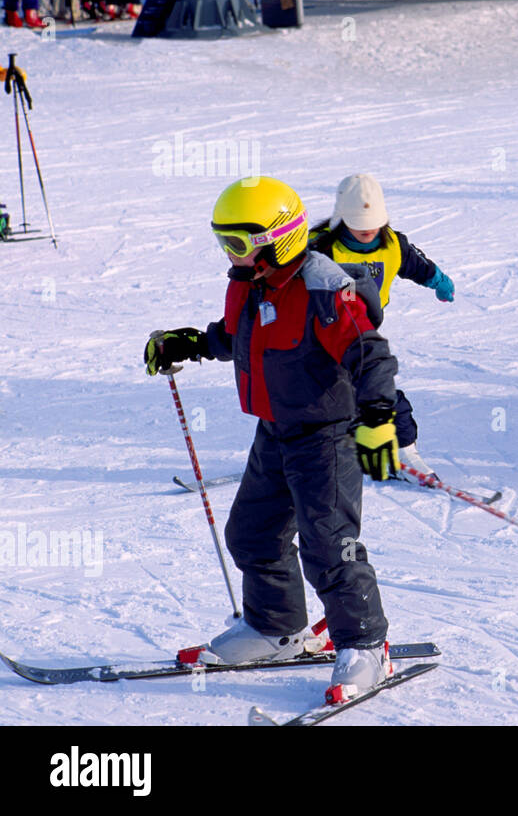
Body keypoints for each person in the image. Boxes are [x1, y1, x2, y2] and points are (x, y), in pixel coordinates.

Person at [142, 176, 399, 701]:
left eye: (239, 243)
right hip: (275, 430)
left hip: (327, 436)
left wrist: (377, 417)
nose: (231, 255)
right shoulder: (251, 284)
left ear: (278, 237)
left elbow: (369, 352)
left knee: (330, 546)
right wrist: (191, 342)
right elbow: (238, 335)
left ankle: (368, 646)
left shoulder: (324, 289)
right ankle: (274, 628)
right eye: (224, 242)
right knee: (253, 535)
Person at [308, 173, 455, 482]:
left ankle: (405, 453)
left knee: (374, 387)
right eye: (358, 224)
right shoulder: (319, 247)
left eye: (373, 223)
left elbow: (420, 266)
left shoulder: (393, 244)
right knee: (327, 392)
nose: (367, 230)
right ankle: (314, 447)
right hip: (319, 331)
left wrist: (439, 282)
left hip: (362, 331)